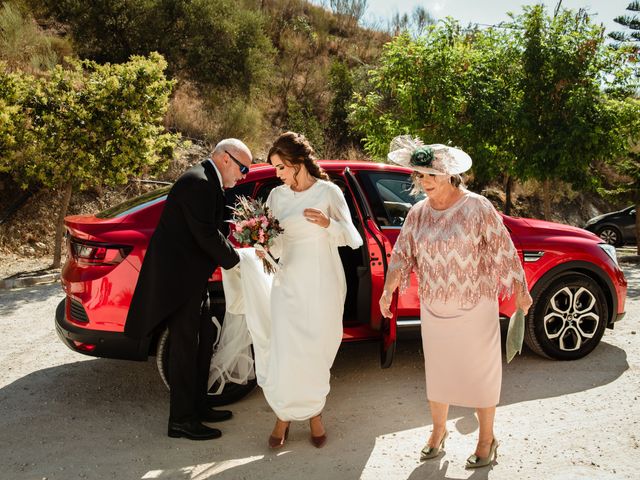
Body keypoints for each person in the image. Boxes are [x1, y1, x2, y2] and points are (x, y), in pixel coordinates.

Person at [378, 135, 532, 468]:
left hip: (475, 306)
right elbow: (402, 253)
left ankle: (486, 438)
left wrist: (520, 286)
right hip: (434, 306)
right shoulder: (418, 213)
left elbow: (503, 247)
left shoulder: (477, 206)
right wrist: (388, 289)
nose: (425, 181)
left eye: (431, 174)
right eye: (420, 175)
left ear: (449, 172)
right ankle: (438, 432)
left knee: (481, 373)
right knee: (439, 372)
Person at [125, 138, 252, 440]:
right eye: (243, 168)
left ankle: (198, 405)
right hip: (178, 283)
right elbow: (205, 235)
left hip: (192, 279)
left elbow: (212, 230)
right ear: (225, 158)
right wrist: (239, 262)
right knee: (184, 350)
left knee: (204, 339)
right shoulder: (199, 182)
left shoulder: (208, 180)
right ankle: (181, 420)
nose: (244, 175)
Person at [260, 131, 363, 448]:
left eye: (280, 167)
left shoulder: (329, 192)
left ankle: (315, 414)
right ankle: (283, 416)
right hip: (288, 281)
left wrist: (327, 225)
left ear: (296, 162)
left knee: (317, 352)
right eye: (276, 169)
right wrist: (261, 244)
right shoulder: (277, 197)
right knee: (287, 352)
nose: (278, 175)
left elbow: (354, 238)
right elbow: (275, 244)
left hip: (322, 283)